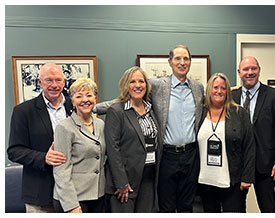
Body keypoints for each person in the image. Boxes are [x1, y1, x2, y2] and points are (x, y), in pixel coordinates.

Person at [94, 45, 204, 212]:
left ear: (190, 61)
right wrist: (91, 108)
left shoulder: (198, 88)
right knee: (165, 206)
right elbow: (126, 98)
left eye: (186, 58)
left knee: (187, 206)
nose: (182, 62)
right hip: (167, 155)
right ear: (170, 62)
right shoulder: (158, 86)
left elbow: (213, 99)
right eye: (178, 59)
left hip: (191, 155)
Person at [7, 63, 72, 213]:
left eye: (58, 80)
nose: (54, 85)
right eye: (49, 80)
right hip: (40, 194)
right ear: (39, 82)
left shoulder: (74, 106)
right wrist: (44, 158)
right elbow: (14, 151)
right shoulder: (23, 111)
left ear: (64, 81)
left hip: (74, 192)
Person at [232, 56, 275, 212]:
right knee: (236, 209)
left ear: (259, 70)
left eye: (254, 68)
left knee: (268, 208)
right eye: (246, 69)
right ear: (239, 72)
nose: (250, 72)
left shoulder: (274, 96)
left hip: (265, 164)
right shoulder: (232, 97)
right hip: (238, 165)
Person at [104, 66, 161, 212]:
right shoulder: (117, 111)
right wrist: (121, 182)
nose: (137, 85)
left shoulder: (150, 110)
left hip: (148, 178)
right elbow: (112, 149)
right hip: (126, 182)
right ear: (125, 85)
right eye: (132, 82)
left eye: (141, 81)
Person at [197, 73, 255, 212]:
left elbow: (249, 146)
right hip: (205, 181)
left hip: (231, 182)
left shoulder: (239, 113)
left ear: (228, 91)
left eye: (223, 88)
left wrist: (247, 177)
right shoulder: (200, 111)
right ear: (209, 89)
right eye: (215, 87)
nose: (219, 91)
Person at [52, 78, 106, 213]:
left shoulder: (100, 124)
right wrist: (71, 205)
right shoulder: (64, 127)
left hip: (98, 196)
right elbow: (61, 170)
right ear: (72, 101)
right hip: (74, 199)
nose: (85, 100)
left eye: (89, 95)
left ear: (95, 98)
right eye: (79, 96)